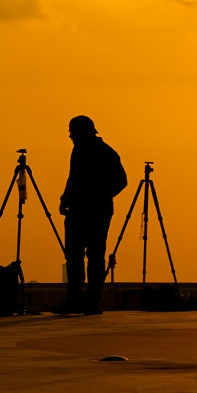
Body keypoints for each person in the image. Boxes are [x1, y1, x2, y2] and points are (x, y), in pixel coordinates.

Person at [54, 115, 127, 315]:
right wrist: (65, 199)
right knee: (74, 257)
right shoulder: (78, 150)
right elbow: (74, 177)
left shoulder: (105, 152)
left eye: (72, 131)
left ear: (84, 131)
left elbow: (122, 180)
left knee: (94, 256)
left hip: (97, 211)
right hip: (78, 210)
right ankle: (74, 301)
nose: (69, 135)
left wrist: (99, 196)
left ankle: (91, 302)